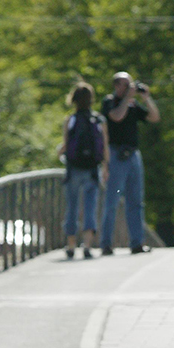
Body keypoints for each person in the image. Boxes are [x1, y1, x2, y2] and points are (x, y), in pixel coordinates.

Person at [99, 71, 160, 255]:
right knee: (112, 200)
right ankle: (106, 243)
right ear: (117, 85)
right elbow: (116, 116)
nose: (128, 88)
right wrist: (127, 98)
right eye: (124, 84)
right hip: (116, 155)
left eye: (129, 84)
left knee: (136, 201)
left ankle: (136, 243)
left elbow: (154, 117)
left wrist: (146, 98)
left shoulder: (133, 104)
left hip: (133, 155)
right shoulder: (110, 101)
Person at [60, 81, 107, 260]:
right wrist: (106, 167)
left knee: (71, 207)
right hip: (92, 170)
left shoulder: (70, 120)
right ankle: (87, 245)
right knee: (90, 207)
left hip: (73, 169)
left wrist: (60, 151)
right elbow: (105, 147)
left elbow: (65, 145)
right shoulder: (98, 120)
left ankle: (71, 245)